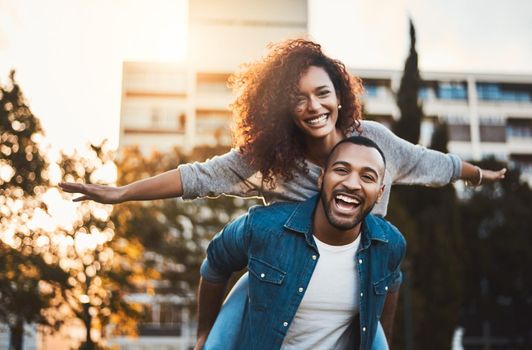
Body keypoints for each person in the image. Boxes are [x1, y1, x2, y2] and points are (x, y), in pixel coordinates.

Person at [59, 39, 506, 348]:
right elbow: (197, 177)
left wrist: (479, 175)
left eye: (322, 93)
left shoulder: (375, 142)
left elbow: (435, 164)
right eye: (298, 98)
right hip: (276, 286)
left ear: (339, 96)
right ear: (281, 107)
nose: (314, 106)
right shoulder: (270, 157)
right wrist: (121, 193)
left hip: (351, 284)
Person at [196, 136, 406, 350]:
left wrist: (383, 342)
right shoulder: (262, 227)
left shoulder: (389, 244)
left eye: (367, 177)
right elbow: (215, 263)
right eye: (342, 170)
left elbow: (392, 284)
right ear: (321, 178)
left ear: (380, 193)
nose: (352, 184)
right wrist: (205, 333)